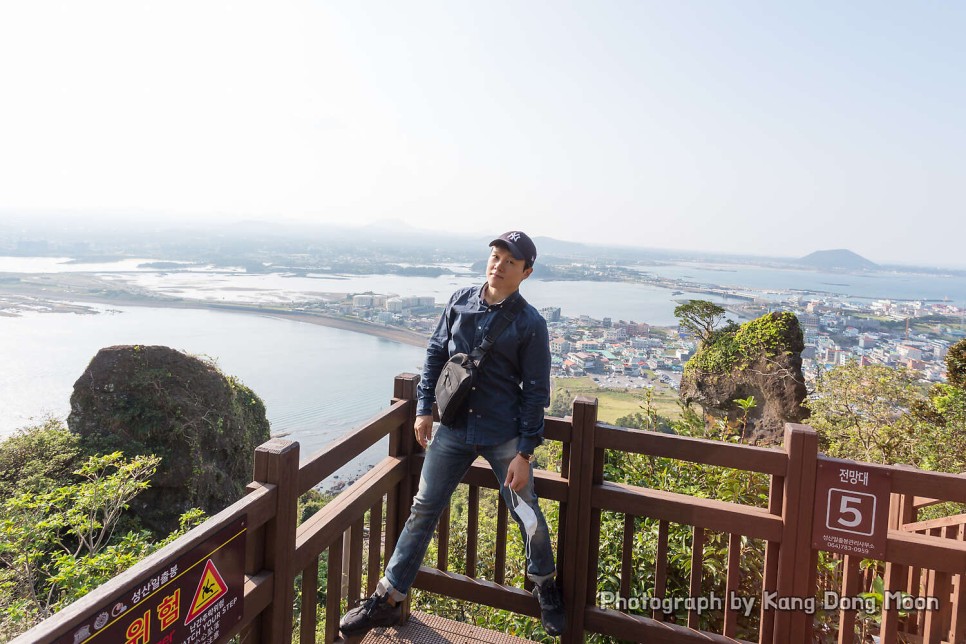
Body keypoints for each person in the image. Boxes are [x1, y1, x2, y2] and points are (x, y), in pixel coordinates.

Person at [339, 231, 565, 638]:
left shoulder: (531, 324)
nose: (499, 265)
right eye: (495, 256)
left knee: (526, 511)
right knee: (423, 508)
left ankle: (545, 584)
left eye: (510, 262)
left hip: (503, 436)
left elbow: (536, 393)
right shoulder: (460, 300)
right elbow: (434, 354)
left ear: (526, 272)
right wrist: (424, 408)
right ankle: (388, 598)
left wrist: (525, 454)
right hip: (455, 427)